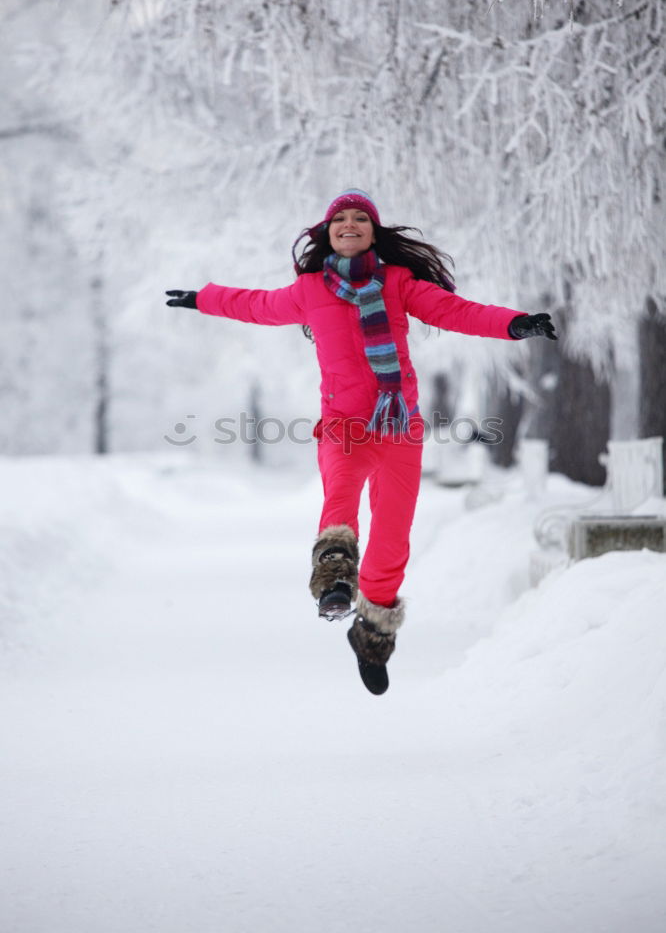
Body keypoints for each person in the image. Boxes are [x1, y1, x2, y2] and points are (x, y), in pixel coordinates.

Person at [166, 188, 556, 695]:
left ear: (373, 232)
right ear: (327, 232)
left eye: (360, 219)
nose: (349, 225)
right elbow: (256, 305)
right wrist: (203, 298)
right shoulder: (309, 290)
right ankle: (333, 584)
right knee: (341, 503)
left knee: (393, 538)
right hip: (344, 427)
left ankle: (371, 633)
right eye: (340, 219)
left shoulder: (398, 282)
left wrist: (512, 323)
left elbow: (454, 310)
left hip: (398, 428)